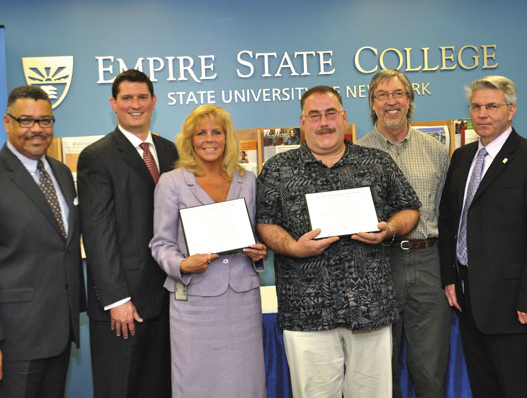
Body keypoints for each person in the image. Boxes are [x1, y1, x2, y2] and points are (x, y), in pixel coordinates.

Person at [256, 85, 421, 398]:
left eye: (331, 113)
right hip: (306, 310)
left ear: (344, 117)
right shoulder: (278, 169)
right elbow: (265, 223)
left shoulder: (377, 162)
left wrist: (389, 229)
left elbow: (409, 208)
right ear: (302, 122)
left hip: (370, 307)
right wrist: (293, 246)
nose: (324, 123)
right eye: (315, 115)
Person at [0, 85, 83, 398]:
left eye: (45, 121)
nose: (37, 129)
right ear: (6, 122)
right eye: (26, 120)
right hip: (10, 342)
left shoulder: (62, 173)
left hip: (58, 335)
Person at [438, 75, 527, 398]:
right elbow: (449, 220)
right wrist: (449, 277)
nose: (483, 114)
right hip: (470, 306)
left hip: (516, 309)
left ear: (511, 110)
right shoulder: (462, 158)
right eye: (476, 106)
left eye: (492, 106)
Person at [149, 104, 267, 397]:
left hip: (242, 299)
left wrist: (258, 252)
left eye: (217, 132)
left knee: (245, 382)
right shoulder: (172, 182)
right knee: (196, 382)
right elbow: (161, 243)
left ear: (228, 138)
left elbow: (251, 234)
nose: (209, 138)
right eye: (201, 133)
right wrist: (182, 265)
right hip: (195, 302)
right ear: (189, 140)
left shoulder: (247, 180)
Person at [77, 69, 177, 398]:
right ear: (114, 104)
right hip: (125, 305)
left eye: (142, 97)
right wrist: (117, 299)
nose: (136, 104)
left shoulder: (170, 151)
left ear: (153, 102)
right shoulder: (97, 156)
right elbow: (97, 232)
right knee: (121, 388)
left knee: (159, 387)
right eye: (127, 98)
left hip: (166, 298)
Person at [357, 69, 451, 398]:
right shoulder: (356, 153)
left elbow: (449, 214)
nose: (391, 102)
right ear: (372, 104)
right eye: (382, 95)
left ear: (409, 100)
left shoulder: (436, 150)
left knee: (430, 367)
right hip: (380, 263)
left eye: (398, 93)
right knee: (381, 367)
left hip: (429, 261)